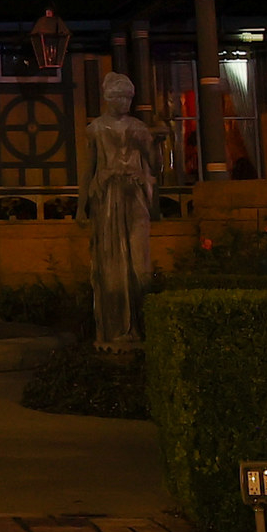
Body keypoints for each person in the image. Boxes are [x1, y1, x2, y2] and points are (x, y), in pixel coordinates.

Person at [83, 71, 156, 355]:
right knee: (111, 263)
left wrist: (155, 142)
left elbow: (154, 164)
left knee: (139, 263)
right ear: (107, 98)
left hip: (134, 195)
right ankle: (114, 329)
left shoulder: (139, 128)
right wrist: (81, 207)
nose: (124, 102)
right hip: (107, 196)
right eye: (118, 97)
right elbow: (87, 170)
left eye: (128, 97)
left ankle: (139, 325)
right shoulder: (96, 129)